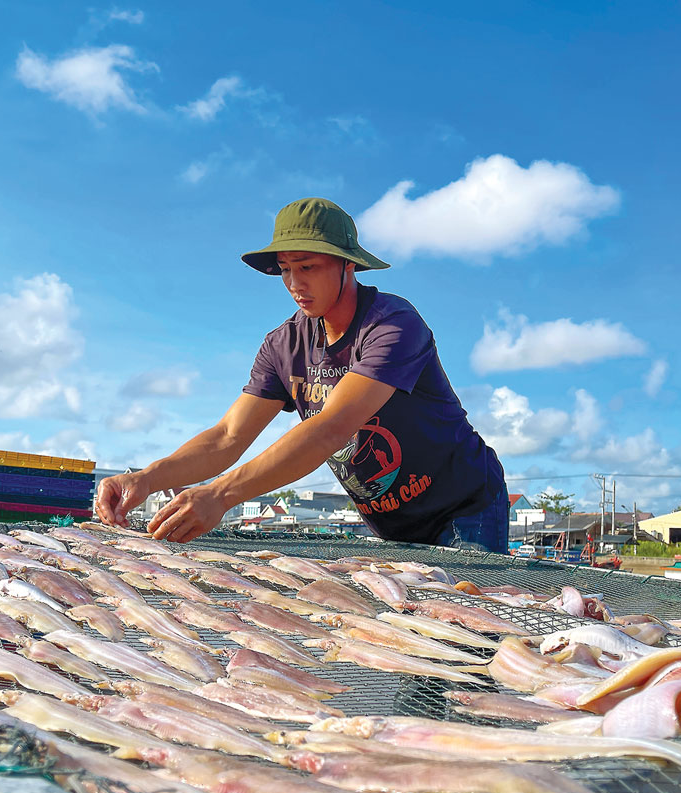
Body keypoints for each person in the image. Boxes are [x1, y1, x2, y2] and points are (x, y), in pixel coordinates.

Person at [96, 197, 507, 553]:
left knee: (469, 625)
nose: (295, 283)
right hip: (393, 525)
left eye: (308, 266)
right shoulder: (284, 345)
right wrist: (146, 479)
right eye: (285, 270)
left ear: (348, 265)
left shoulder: (393, 324)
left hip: (464, 508)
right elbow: (227, 437)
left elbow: (331, 427)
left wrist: (220, 495)